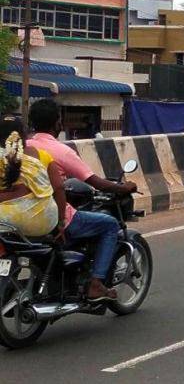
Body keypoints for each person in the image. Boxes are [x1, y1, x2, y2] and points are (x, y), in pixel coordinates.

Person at [27, 99, 136, 301]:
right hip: (51, 215)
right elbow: (94, 181)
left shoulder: (23, 147)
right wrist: (123, 187)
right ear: (57, 123)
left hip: (23, 215)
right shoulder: (61, 151)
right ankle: (96, 283)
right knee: (110, 225)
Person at [0, 116, 62, 239]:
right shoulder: (42, 156)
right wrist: (61, 222)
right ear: (24, 134)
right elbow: (59, 188)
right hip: (47, 220)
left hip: (11, 220)